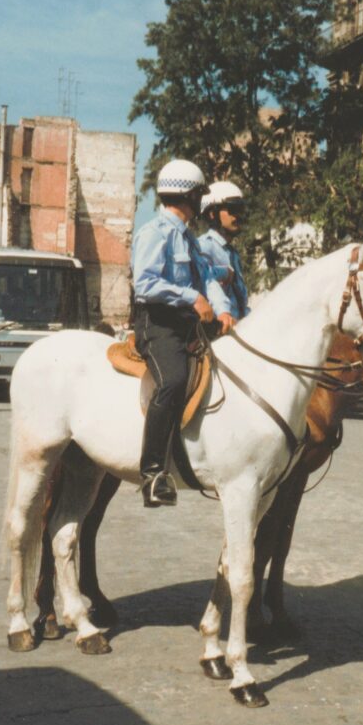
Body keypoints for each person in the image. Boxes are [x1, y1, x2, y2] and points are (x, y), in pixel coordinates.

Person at [132, 158, 233, 508]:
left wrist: (222, 309)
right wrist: (192, 297)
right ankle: (153, 473)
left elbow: (207, 278)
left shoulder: (189, 240)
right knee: (173, 380)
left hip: (186, 324)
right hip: (157, 324)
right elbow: (144, 283)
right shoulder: (153, 233)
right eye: (199, 196)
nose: (201, 204)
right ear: (187, 196)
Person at [198, 180, 251, 321]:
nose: (237, 216)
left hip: (239, 327)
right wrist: (223, 272)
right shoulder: (204, 246)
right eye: (232, 210)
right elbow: (199, 278)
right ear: (212, 214)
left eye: (240, 211)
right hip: (216, 331)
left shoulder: (233, 253)